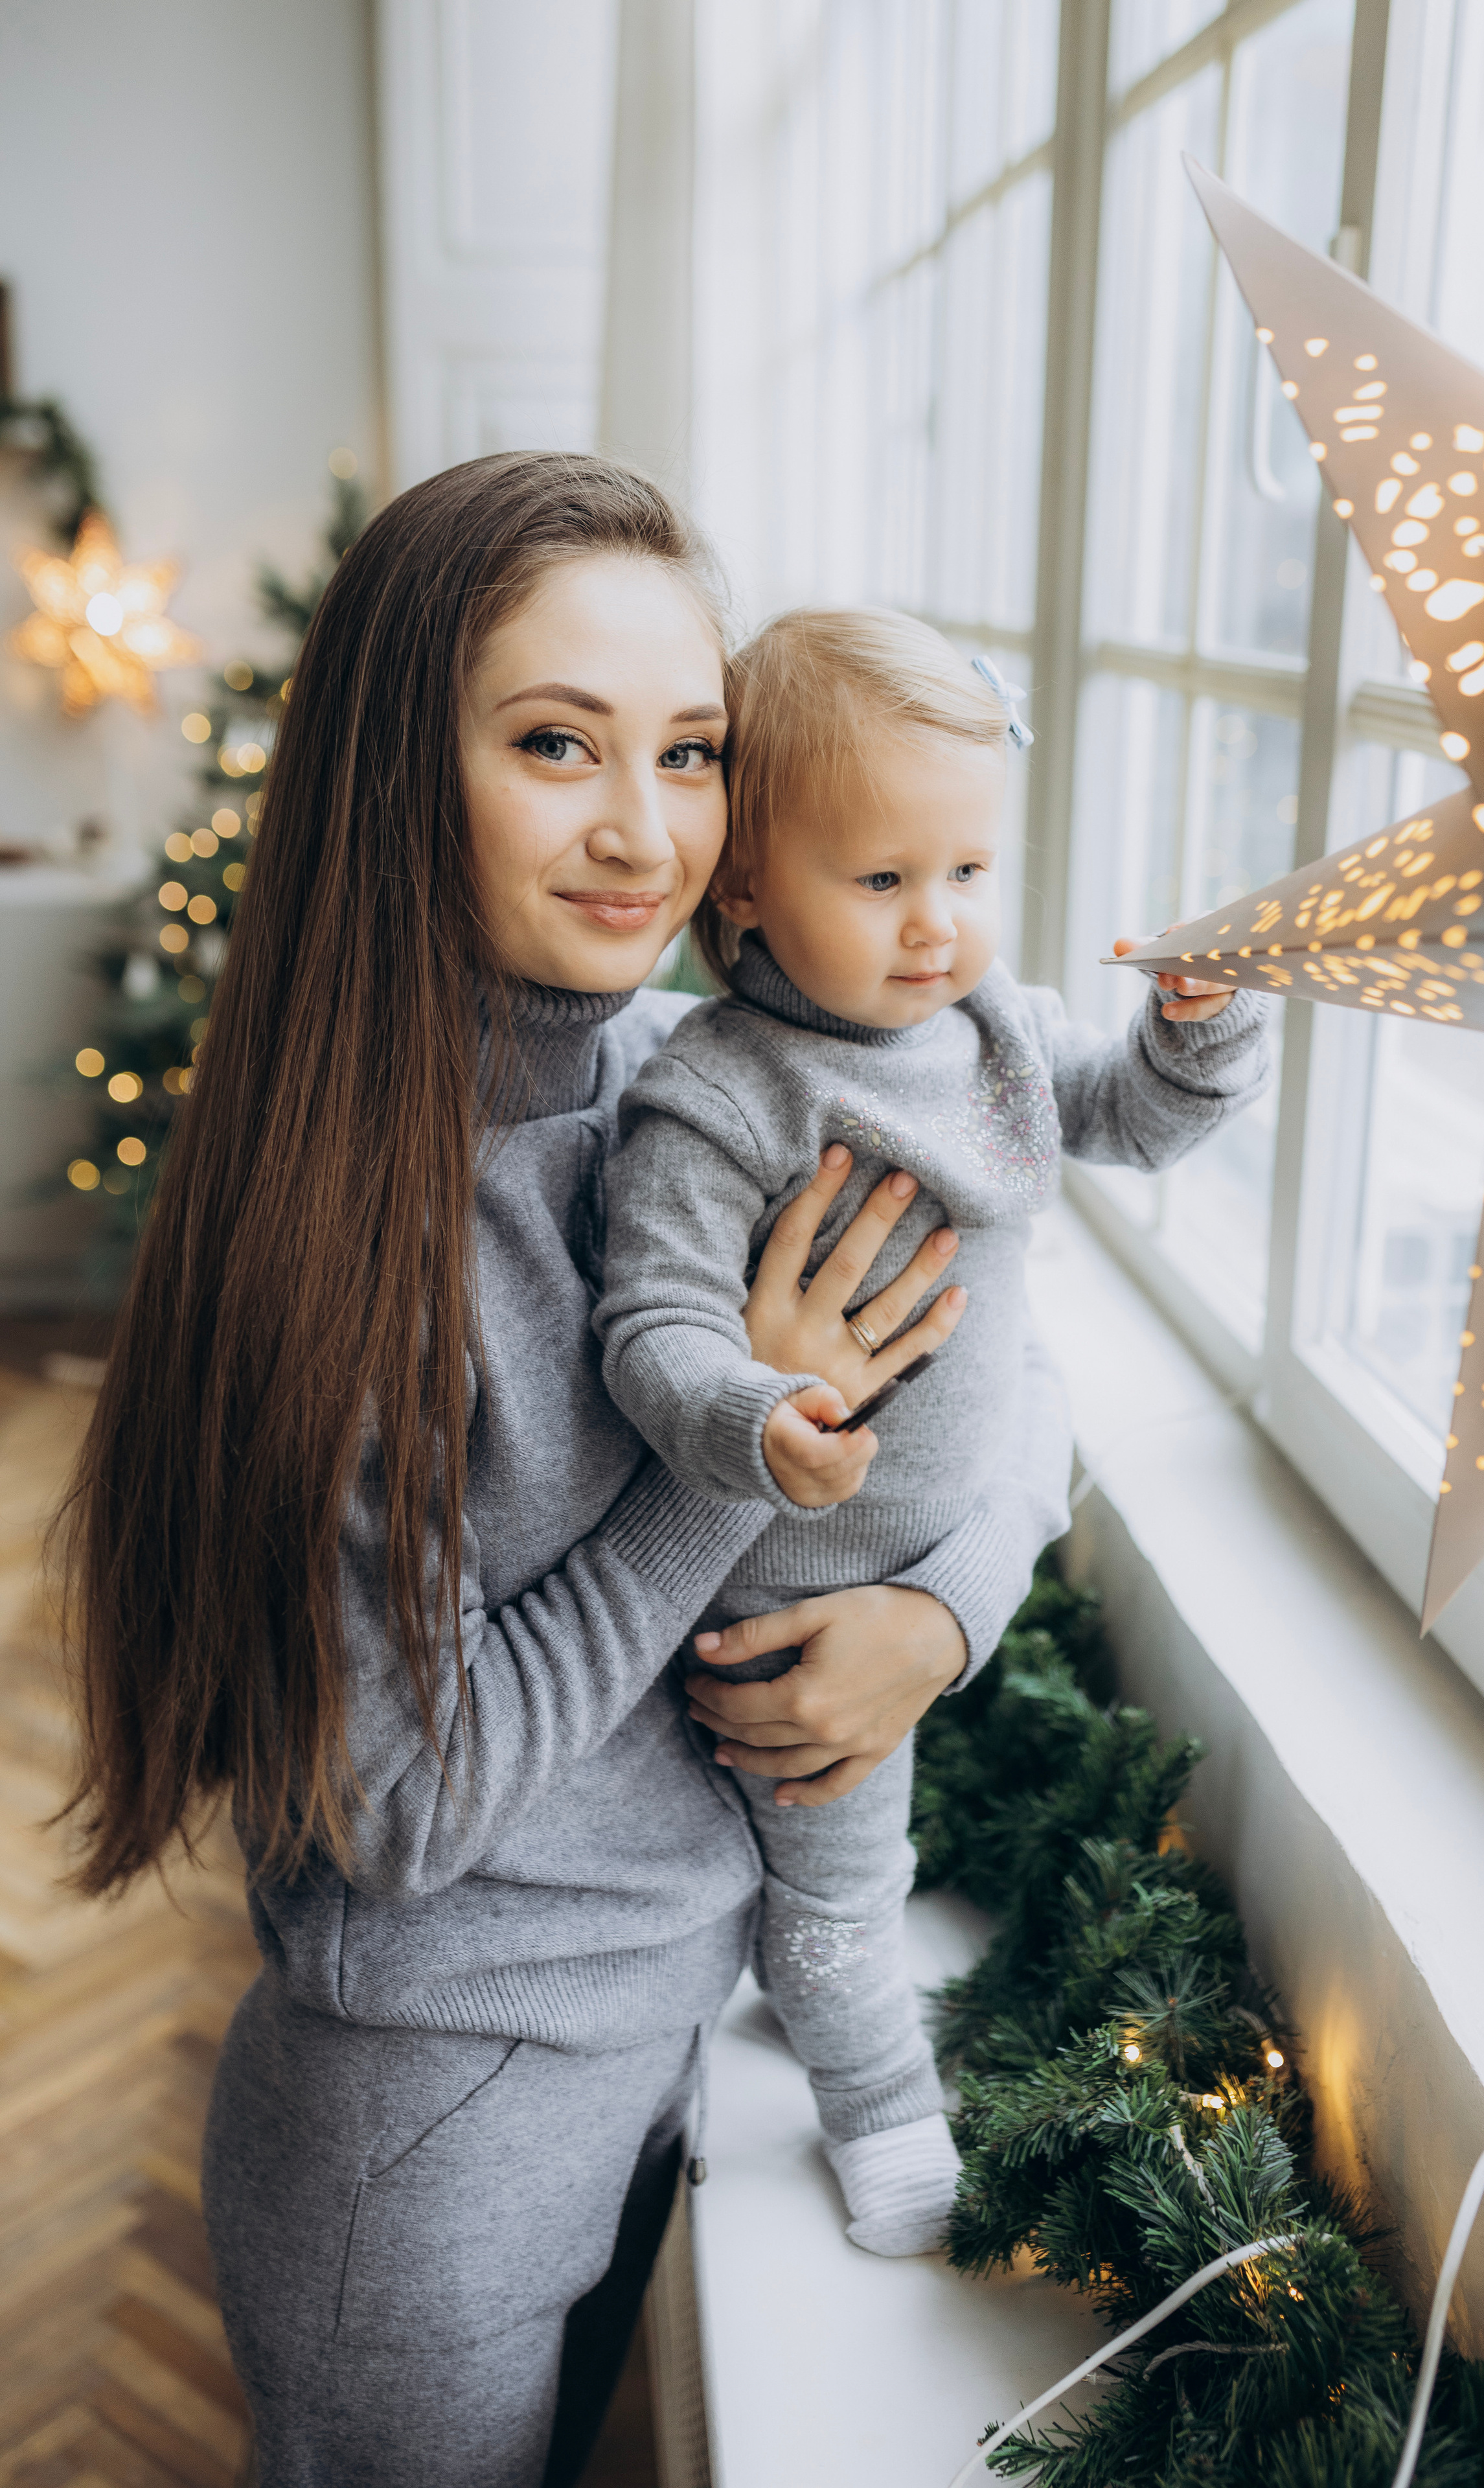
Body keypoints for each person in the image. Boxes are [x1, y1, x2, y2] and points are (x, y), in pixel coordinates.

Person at [57, 454, 1088, 2488]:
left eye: (692, 751)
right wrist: (740, 1471)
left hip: (660, 2040)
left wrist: (931, 1616)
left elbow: (1023, 1382)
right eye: (554, 744)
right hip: (427, 2140)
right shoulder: (351, 1235)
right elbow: (400, 1806)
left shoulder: (697, 1077)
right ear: (393, 772)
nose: (644, 831)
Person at [596, 606, 1268, 2256]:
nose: (935, 928)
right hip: (785, 1600)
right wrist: (756, 1413)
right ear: (742, 886)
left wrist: (1197, 1031)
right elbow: (651, 1328)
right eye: (881, 881)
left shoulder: (1000, 1037)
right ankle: (879, 2104)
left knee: (844, 1874)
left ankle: (821, 2010)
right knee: (841, 1892)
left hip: (929, 1565)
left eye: (965, 873)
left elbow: (1139, 1119)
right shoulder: (723, 1092)